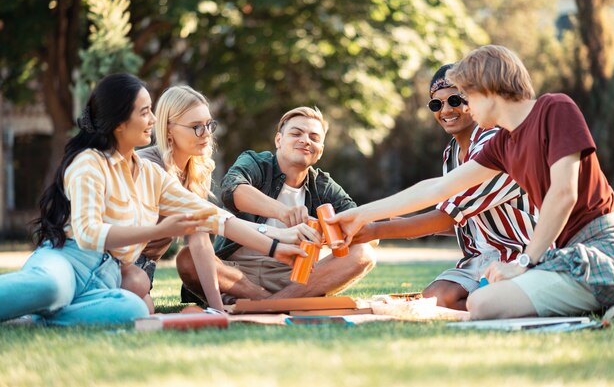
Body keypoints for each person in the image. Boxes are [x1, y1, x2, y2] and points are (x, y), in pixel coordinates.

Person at [329, 45, 614, 319]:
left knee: (485, 304)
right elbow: (436, 188)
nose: (465, 106)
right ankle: (609, 302)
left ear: (487, 89)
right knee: (482, 303)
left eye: (466, 95)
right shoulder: (503, 144)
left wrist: (525, 262)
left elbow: (563, 194)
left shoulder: (555, 108)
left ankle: (611, 294)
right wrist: (360, 215)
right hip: (563, 252)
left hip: (605, 242)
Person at [0, 73, 303, 326]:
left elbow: (212, 216)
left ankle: (35, 319)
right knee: (53, 287)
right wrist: (158, 231)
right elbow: (89, 233)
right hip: (69, 260)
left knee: (133, 311)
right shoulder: (89, 163)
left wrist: (276, 246)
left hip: (106, 278)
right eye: (144, 111)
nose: (153, 119)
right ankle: (44, 305)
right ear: (119, 122)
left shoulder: (150, 175)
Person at [351, 64, 542, 311]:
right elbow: (465, 219)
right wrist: (410, 226)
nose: (446, 110)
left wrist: (377, 230)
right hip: (480, 258)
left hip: (519, 252)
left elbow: (448, 215)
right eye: (436, 104)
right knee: (436, 299)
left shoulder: (495, 143)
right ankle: (496, 300)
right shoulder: (451, 153)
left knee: (480, 303)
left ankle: (510, 298)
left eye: (454, 100)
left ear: (474, 99)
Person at [176, 106, 377, 302]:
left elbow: (366, 230)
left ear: (320, 151)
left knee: (364, 252)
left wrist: (325, 234)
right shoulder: (255, 162)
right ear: (279, 140)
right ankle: (270, 300)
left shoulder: (323, 186)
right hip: (235, 272)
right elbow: (232, 191)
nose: (305, 141)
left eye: (314, 138)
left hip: (292, 278)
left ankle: (274, 301)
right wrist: (284, 212)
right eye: (296, 133)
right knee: (188, 257)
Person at [134, 85, 308, 309]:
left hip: (144, 267)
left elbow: (202, 239)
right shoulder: (148, 166)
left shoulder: (197, 170)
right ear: (168, 129)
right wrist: (276, 240)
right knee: (141, 309)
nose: (206, 134)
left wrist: (216, 309)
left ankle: (243, 299)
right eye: (196, 127)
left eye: (209, 125)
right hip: (120, 261)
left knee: (142, 305)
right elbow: (211, 223)